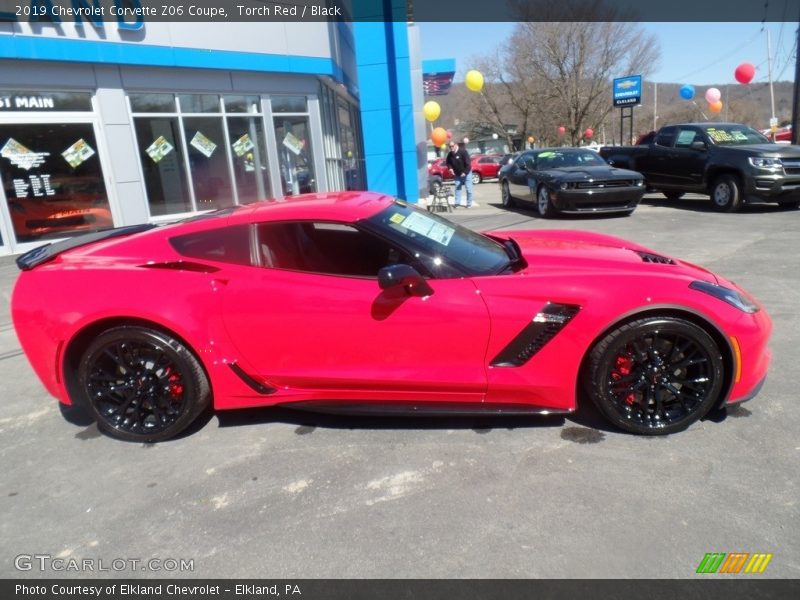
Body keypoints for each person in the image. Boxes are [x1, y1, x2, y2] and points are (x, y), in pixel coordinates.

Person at [445, 140, 473, 208]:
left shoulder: (463, 152)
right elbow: (448, 163)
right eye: (450, 146)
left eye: (452, 146)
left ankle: (469, 204)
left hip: (467, 173)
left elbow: (468, 164)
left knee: (468, 189)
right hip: (457, 174)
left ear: (456, 145)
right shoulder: (450, 154)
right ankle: (457, 203)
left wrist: (465, 172)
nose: (451, 148)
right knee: (457, 188)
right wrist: (450, 168)